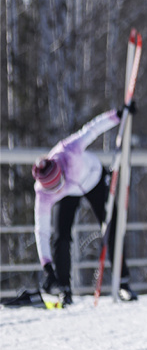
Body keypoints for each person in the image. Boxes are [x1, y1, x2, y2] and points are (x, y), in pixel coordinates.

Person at [33, 104, 139, 306]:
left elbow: (92, 129)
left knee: (112, 226)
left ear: (60, 170)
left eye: (58, 182)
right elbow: (41, 231)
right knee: (61, 236)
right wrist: (47, 267)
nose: (57, 188)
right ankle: (64, 289)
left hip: (93, 179)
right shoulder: (43, 194)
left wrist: (118, 115)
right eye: (53, 188)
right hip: (69, 195)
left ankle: (123, 282)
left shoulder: (68, 150)